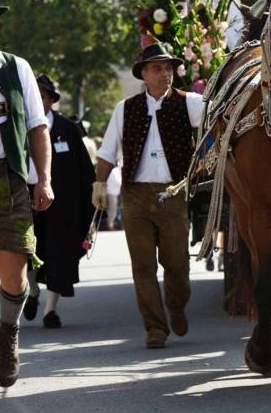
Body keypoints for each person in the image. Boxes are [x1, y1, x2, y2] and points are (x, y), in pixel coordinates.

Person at [93, 43, 204, 349]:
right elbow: (107, 152)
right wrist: (99, 185)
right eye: (157, 68)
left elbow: (219, 120)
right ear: (143, 73)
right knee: (142, 267)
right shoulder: (125, 108)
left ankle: (177, 305)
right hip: (135, 196)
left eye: (168, 67)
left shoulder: (190, 103)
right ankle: (155, 328)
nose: (165, 73)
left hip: (173, 194)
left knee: (178, 265)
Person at [0, 5, 54, 388]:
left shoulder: (16, 68)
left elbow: (37, 127)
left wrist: (43, 179)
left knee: (14, 275)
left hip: (9, 178)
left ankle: (7, 333)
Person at [22, 75, 94, 329]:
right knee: (26, 254)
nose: (37, 100)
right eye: (34, 96)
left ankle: (50, 311)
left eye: (42, 96)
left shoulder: (67, 129)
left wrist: (93, 202)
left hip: (62, 209)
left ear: (51, 101)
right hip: (27, 205)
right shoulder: (17, 129)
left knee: (59, 257)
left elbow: (86, 170)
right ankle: (32, 291)